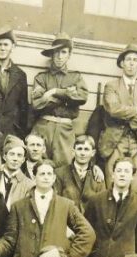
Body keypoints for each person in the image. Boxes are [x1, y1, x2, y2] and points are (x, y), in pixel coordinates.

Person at [0, 159, 95, 257]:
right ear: (34, 177)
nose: (46, 177)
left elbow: (87, 234)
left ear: (54, 178)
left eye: (49, 174)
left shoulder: (66, 205)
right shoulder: (19, 207)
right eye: (42, 174)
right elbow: (10, 238)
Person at [98, 44, 137, 195]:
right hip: (115, 142)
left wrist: (127, 119)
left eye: (135, 60)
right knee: (112, 185)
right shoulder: (111, 86)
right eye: (128, 59)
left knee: (136, 188)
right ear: (122, 63)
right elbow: (113, 109)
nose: (131, 63)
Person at [30, 33, 88, 166]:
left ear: (69, 55)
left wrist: (54, 92)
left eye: (63, 52)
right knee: (38, 166)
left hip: (65, 131)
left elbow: (82, 97)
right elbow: (37, 104)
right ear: (51, 55)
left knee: (64, 168)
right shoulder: (42, 78)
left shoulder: (76, 77)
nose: (59, 56)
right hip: (43, 128)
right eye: (56, 52)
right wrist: (67, 96)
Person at [55, 134, 108, 212]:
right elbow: (56, 202)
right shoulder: (60, 173)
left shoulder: (97, 176)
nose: (82, 153)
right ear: (73, 151)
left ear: (93, 153)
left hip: (90, 222)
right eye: (80, 149)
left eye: (86, 149)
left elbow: (103, 205)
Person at [0, 135, 34, 211]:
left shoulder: (29, 185)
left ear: (23, 160)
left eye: (19, 155)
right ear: (4, 156)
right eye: (12, 154)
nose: (15, 159)